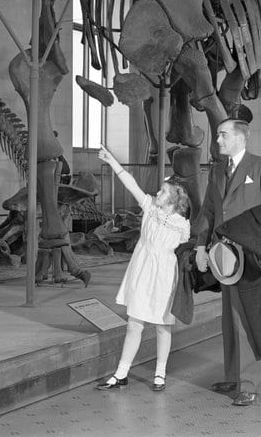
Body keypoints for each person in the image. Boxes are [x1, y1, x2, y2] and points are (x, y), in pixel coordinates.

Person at [193, 118, 261, 407]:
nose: (218, 140)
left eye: (222, 135)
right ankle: (233, 376)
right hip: (223, 256)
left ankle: (248, 384)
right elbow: (208, 212)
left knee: (247, 319)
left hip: (250, 256)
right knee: (229, 318)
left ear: (239, 137)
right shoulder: (218, 171)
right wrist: (200, 246)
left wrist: (248, 235)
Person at [96, 145, 192, 392]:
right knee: (134, 323)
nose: (157, 193)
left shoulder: (182, 225)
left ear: (173, 199)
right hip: (142, 270)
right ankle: (121, 373)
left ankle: (160, 374)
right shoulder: (150, 208)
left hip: (164, 274)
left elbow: (182, 251)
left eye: (162, 191)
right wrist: (112, 161)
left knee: (162, 326)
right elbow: (131, 184)